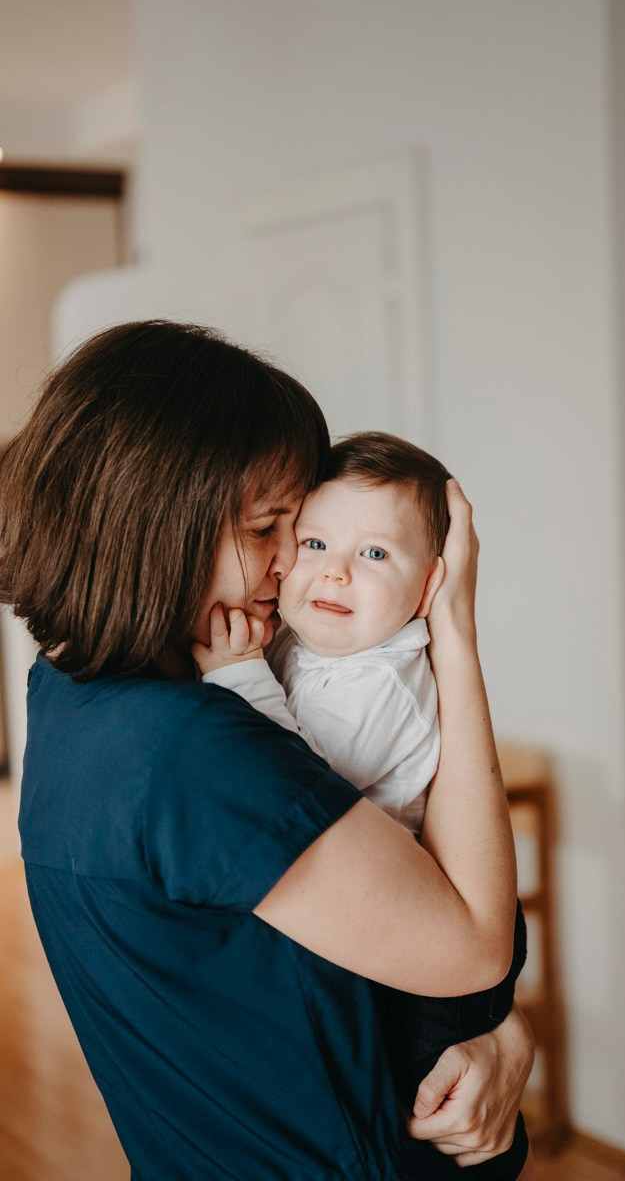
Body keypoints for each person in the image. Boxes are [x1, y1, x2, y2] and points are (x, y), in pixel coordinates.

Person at [0, 321, 535, 1181]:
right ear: (153, 526)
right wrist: (454, 633)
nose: (293, 563)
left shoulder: (69, 691)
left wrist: (497, 1033)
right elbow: (475, 945)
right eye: (265, 529)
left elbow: (327, 945)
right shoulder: (191, 748)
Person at [193, 431, 530, 1180]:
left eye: (375, 554)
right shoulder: (313, 642)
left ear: (430, 587)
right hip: (376, 913)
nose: (335, 570)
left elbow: (293, 782)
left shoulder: (379, 683)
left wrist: (241, 674)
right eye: (314, 542)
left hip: (401, 959)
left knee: (423, 1117)